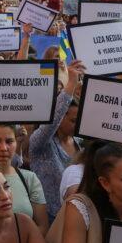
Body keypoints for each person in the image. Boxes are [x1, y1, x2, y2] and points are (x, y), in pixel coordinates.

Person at [27, 60, 85, 220]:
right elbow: (54, 117)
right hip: (48, 218)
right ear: (59, 119)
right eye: (73, 121)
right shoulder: (41, 143)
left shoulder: (80, 144)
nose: (77, 125)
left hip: (75, 217)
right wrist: (71, 83)